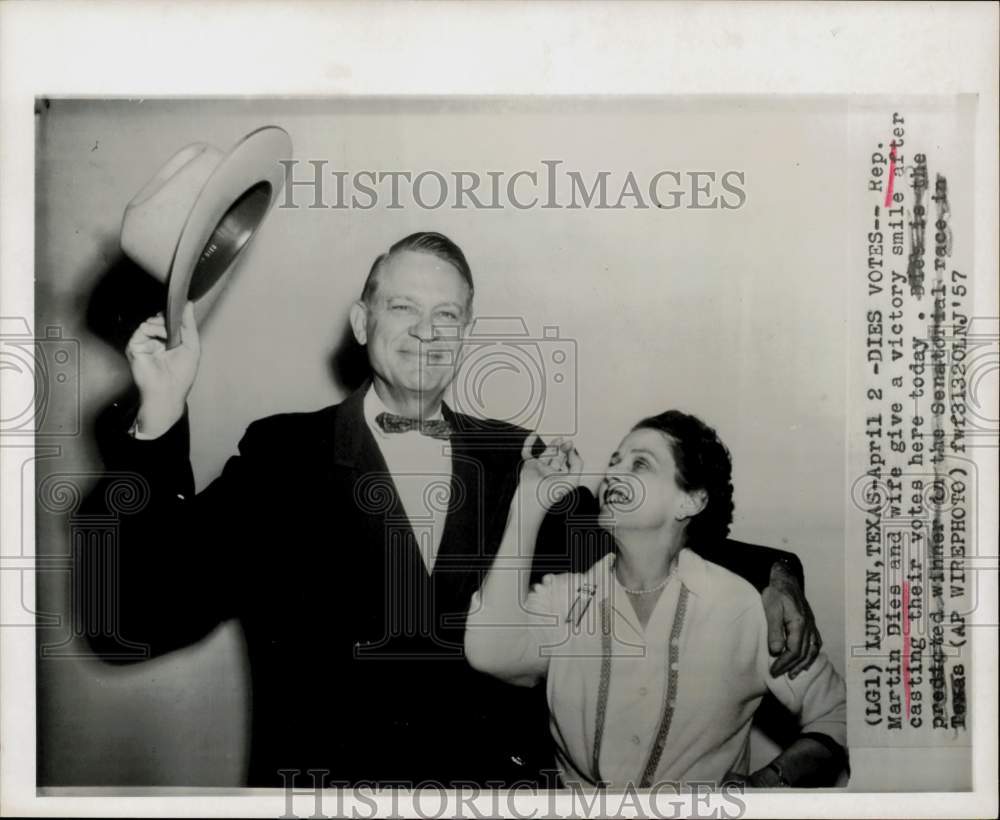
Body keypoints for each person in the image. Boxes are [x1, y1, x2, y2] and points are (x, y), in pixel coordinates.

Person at [82, 231, 823, 786]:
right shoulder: (284, 454)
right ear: (361, 321)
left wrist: (773, 573)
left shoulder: (520, 457)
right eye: (402, 307)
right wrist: (159, 415)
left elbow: (639, 541)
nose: (427, 332)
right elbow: (143, 613)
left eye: (448, 315)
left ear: (467, 336)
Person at [465, 411, 848, 788]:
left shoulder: (740, 608)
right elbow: (491, 652)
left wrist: (770, 781)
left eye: (640, 464)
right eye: (615, 461)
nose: (613, 472)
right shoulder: (566, 599)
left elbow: (840, 714)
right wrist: (530, 500)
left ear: (690, 502)